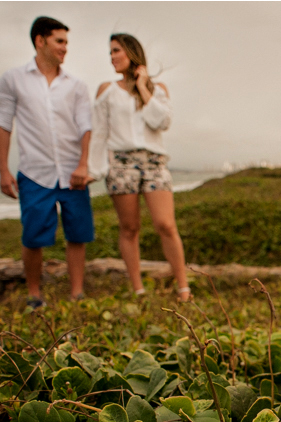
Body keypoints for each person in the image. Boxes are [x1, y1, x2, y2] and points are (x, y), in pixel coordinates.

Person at [0, 16, 94, 308]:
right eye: (59, 41)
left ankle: (77, 293)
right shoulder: (13, 79)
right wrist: (3, 169)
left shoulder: (76, 85)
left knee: (78, 233)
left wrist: (84, 164)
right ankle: (34, 295)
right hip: (34, 171)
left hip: (73, 171)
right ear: (40, 41)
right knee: (34, 236)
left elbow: (85, 126)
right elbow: (3, 124)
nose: (65, 48)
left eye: (66, 42)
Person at [88, 33, 190, 302]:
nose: (112, 57)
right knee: (129, 227)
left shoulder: (158, 90)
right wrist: (94, 169)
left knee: (166, 224)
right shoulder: (106, 90)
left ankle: (184, 288)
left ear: (132, 53)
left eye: (116, 51)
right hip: (121, 163)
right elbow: (99, 133)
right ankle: (138, 290)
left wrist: (144, 87)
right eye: (110, 52)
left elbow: (161, 122)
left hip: (154, 162)